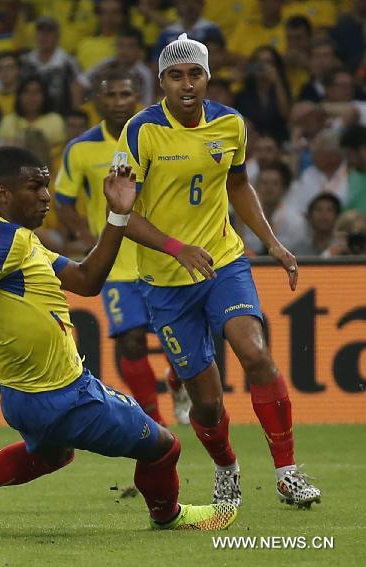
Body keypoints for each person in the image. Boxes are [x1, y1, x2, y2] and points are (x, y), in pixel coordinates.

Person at [0, 147, 238, 536]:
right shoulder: (3, 241)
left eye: (47, 186)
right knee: (165, 448)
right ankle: (168, 516)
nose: (46, 196)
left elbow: (86, 280)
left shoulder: (21, 241)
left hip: (21, 399)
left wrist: (118, 215)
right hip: (66, 396)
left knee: (51, 455)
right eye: (35, 186)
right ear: (3, 194)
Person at [115, 34, 321, 508]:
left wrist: (272, 243)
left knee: (255, 353)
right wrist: (175, 247)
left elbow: (239, 183)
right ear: (161, 82)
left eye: (196, 74)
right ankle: (227, 468)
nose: (187, 84)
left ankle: (288, 473)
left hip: (222, 261)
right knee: (206, 402)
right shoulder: (141, 131)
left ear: (208, 77)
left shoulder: (230, 124)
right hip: (165, 279)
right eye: (176, 76)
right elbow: (122, 215)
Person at [56, 68, 190, 427]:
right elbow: (63, 200)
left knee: (179, 341)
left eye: (125, 95)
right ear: (98, 102)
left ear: (138, 98)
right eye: (111, 96)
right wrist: (86, 236)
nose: (119, 103)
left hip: (161, 257)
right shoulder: (81, 149)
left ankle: (178, 380)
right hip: (116, 265)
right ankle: (155, 420)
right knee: (130, 342)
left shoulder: (160, 138)